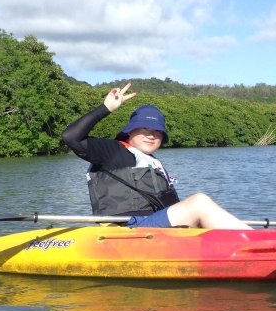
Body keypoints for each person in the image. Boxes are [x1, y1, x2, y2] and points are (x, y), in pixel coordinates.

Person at [62, 83, 252, 229]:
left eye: (156, 131)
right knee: (199, 202)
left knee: (200, 215)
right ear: (130, 131)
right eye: (144, 128)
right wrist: (105, 108)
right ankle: (258, 242)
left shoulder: (154, 165)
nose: (151, 135)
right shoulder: (112, 151)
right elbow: (70, 137)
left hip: (155, 227)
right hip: (131, 230)